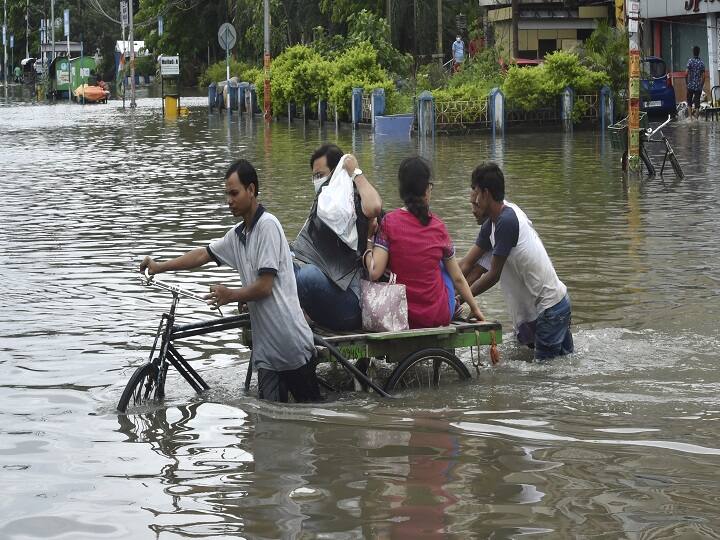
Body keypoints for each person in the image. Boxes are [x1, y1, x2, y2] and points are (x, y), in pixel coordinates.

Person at [140, 159, 322, 403]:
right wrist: (159, 267)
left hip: (290, 345)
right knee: (271, 424)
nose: (229, 200)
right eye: (227, 194)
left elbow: (265, 286)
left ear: (252, 190)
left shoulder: (268, 226)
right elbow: (202, 254)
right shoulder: (238, 235)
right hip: (267, 352)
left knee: (309, 416)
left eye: (234, 193)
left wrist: (231, 295)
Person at [459, 162, 573, 360]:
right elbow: (467, 265)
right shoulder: (492, 224)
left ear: (485, 194)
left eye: (475, 198)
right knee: (562, 369)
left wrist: (460, 299)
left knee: (544, 377)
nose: (472, 205)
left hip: (550, 309)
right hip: (551, 307)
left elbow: (493, 275)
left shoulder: (507, 221)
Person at [364, 156, 484, 329]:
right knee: (443, 264)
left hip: (403, 316)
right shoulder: (438, 227)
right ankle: (455, 306)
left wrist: (369, 240)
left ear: (402, 190)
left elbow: (374, 272)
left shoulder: (389, 222)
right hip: (438, 315)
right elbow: (457, 277)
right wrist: (475, 308)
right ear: (427, 190)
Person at [291, 144, 382, 331]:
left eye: (321, 175)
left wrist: (355, 172)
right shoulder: (323, 210)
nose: (317, 181)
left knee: (307, 277)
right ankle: (298, 309)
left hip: (351, 303)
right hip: (326, 295)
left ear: (337, 172)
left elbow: (374, 207)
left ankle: (299, 310)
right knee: (279, 259)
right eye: (314, 177)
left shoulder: (355, 203)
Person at [686, 45, 706, 119]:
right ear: (699, 52)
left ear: (693, 52)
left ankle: (690, 119)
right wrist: (701, 85)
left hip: (690, 85)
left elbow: (686, 73)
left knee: (689, 102)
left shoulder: (690, 61)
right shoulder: (701, 63)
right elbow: (704, 76)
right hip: (698, 86)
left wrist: (687, 83)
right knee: (697, 103)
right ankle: (696, 119)